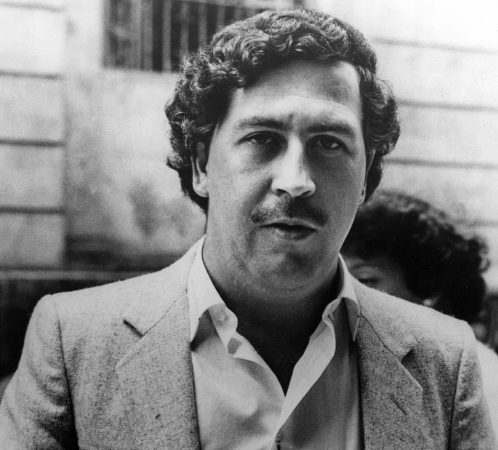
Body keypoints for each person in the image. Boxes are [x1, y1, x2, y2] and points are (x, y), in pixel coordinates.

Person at [0, 8, 495, 449]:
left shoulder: (445, 361)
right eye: (262, 138)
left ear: (365, 175)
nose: (296, 181)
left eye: (329, 143)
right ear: (201, 165)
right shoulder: (74, 343)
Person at [342, 189, 498, 434]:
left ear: (427, 289)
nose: (343, 293)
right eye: (336, 278)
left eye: (365, 279)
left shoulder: (476, 374)